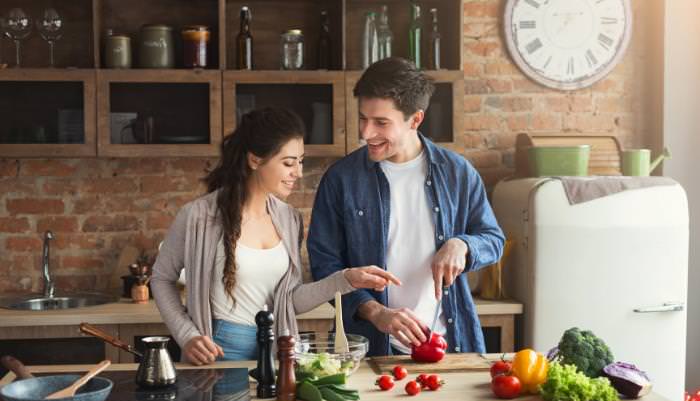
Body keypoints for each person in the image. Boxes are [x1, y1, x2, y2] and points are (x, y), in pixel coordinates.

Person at [151, 107, 399, 365]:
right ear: (255, 160)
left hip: (278, 347)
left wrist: (346, 279)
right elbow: (161, 278)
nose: (298, 173)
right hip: (221, 348)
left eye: (300, 161)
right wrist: (186, 335)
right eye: (288, 163)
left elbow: (289, 301)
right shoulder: (198, 216)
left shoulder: (289, 219)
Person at [307, 58, 505, 356]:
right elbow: (325, 265)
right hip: (371, 350)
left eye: (381, 123)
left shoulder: (458, 173)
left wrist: (462, 245)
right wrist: (375, 312)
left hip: (449, 346)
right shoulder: (341, 180)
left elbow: (493, 240)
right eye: (363, 118)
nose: (366, 133)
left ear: (415, 120)